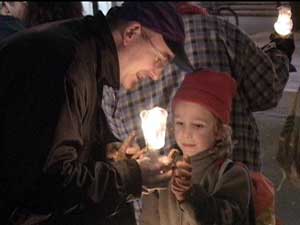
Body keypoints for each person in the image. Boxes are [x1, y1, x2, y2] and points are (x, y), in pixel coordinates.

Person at [0, 2, 193, 225]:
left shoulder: (86, 55)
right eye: (159, 59)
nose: (157, 75)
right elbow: (48, 183)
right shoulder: (68, 63)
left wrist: (104, 151)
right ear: (131, 33)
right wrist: (133, 176)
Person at [102, 2, 295, 172]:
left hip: (153, 197)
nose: (156, 75)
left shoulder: (117, 64)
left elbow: (118, 131)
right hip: (234, 184)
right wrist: (281, 52)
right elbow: (267, 90)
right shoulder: (220, 31)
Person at [140, 69, 253, 225]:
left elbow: (227, 218)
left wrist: (190, 196)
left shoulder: (232, 174)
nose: (186, 133)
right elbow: (149, 219)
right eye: (180, 123)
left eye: (198, 126)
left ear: (219, 131)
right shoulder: (163, 171)